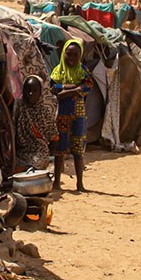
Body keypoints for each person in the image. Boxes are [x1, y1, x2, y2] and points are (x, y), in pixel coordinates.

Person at [50, 40, 92, 191]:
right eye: (69, 54)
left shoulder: (83, 71)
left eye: (76, 55)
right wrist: (70, 86)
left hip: (78, 116)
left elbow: (88, 87)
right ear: (63, 54)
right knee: (59, 150)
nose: (72, 58)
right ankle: (56, 182)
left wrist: (68, 92)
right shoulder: (57, 71)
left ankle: (80, 184)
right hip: (62, 115)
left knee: (77, 150)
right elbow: (52, 86)